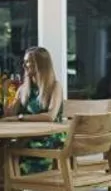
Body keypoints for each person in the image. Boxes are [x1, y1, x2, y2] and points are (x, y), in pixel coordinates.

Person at [3, 46, 65, 175]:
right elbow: (9, 115)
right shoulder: (24, 89)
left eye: (28, 62)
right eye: (24, 61)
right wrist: (6, 93)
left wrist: (20, 118)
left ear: (40, 65)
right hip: (26, 135)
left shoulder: (55, 86)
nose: (24, 65)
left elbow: (50, 117)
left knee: (8, 152)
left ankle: (15, 184)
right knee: (3, 147)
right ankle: (9, 186)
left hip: (48, 138)